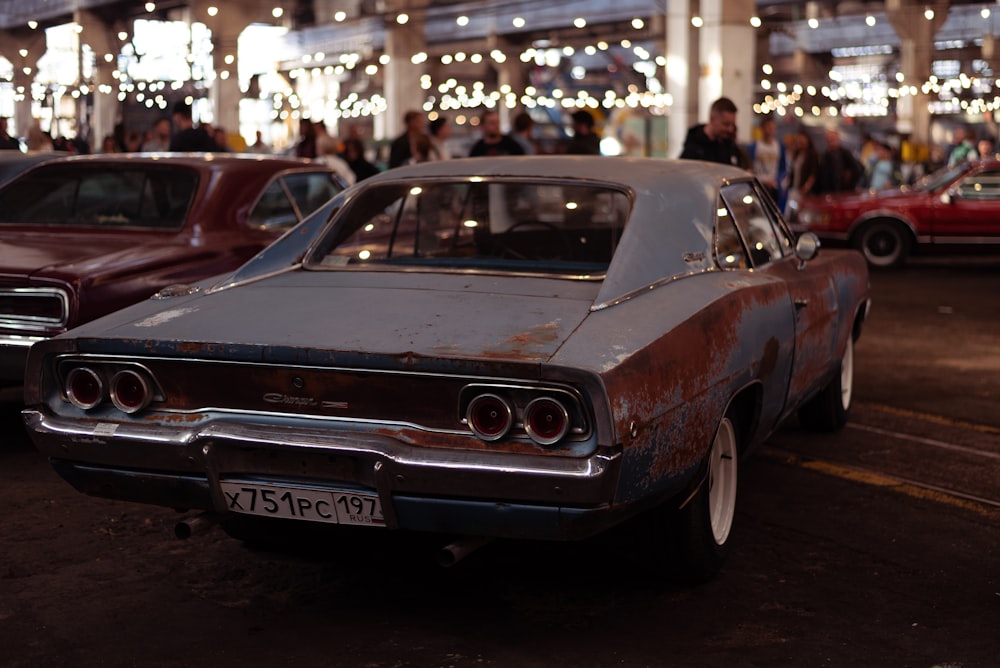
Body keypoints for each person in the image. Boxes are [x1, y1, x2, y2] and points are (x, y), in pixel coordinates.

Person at [679, 96, 742, 166]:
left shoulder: (729, 145)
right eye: (726, 124)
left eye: (732, 125)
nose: (731, 129)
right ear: (712, 119)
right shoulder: (693, 148)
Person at [747, 115, 786, 206]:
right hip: (758, 186)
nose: (771, 130)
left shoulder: (779, 146)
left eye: (773, 128)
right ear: (762, 128)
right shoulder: (754, 147)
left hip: (773, 187)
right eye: (768, 127)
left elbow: (782, 168)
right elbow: (750, 167)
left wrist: (777, 180)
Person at [815, 127, 862, 194]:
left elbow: (857, 169)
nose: (831, 141)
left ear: (837, 138)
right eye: (829, 139)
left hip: (843, 191)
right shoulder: (824, 156)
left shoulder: (845, 153)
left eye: (832, 138)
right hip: (827, 191)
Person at [783, 132, 819, 221]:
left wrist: (806, 187)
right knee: (789, 212)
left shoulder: (812, 156)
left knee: (801, 214)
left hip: (804, 191)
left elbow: (813, 173)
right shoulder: (797, 155)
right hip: (794, 189)